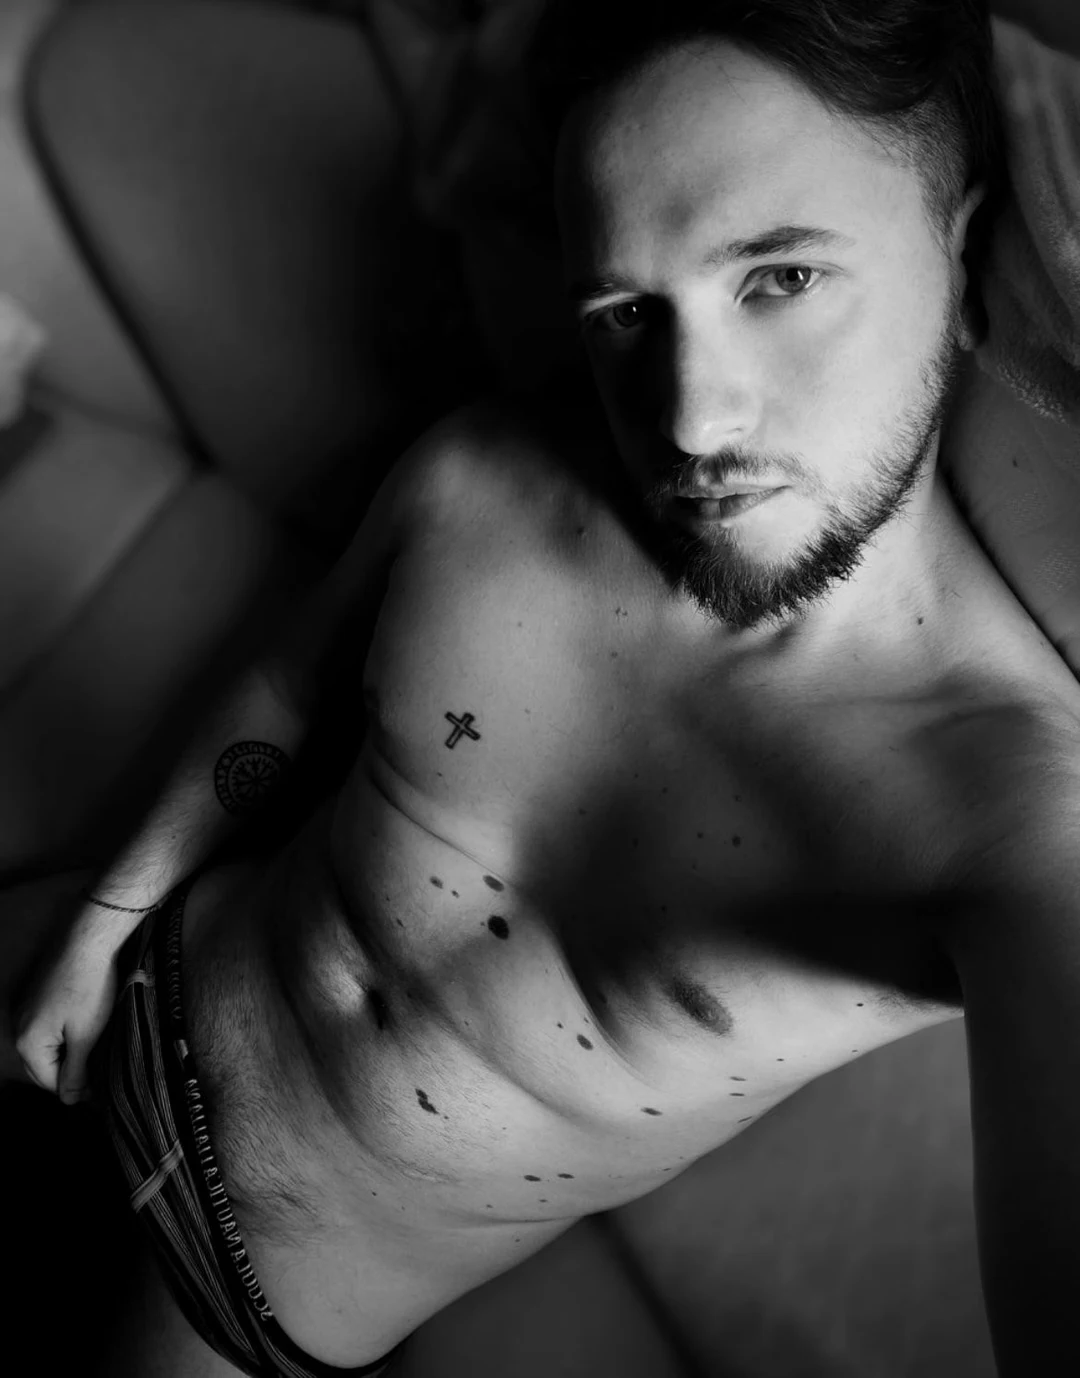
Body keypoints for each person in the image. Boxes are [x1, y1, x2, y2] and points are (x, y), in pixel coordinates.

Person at [7, 1, 1080, 1374]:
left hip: (224, 1296)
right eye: (628, 311)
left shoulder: (1008, 819)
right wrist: (103, 922)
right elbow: (286, 684)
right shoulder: (486, 474)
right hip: (112, 984)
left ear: (962, 247)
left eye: (779, 278)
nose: (692, 418)